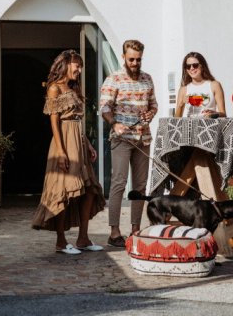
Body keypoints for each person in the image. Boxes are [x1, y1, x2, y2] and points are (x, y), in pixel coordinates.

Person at [32, 49, 106, 254]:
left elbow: (77, 121)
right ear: (66, 65)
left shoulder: (73, 88)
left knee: (89, 190)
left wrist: (88, 144)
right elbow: (54, 122)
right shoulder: (54, 88)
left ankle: (83, 238)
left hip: (79, 142)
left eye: (81, 66)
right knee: (64, 192)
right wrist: (61, 151)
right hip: (64, 142)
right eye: (77, 66)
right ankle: (61, 242)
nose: (79, 70)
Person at [99, 40, 158, 247]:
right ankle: (114, 232)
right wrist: (114, 124)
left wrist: (151, 113)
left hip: (143, 138)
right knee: (119, 183)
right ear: (123, 57)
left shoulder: (147, 78)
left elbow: (154, 104)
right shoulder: (113, 79)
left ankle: (135, 229)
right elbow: (104, 107)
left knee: (140, 186)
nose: (135, 63)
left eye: (138, 60)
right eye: (131, 59)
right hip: (122, 139)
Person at [175, 52, 226, 118]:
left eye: (195, 65)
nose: (191, 68)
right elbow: (176, 119)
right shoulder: (183, 89)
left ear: (202, 66)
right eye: (188, 66)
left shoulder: (214, 85)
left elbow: (223, 114)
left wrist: (214, 114)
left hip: (209, 123)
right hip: (190, 124)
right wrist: (181, 103)